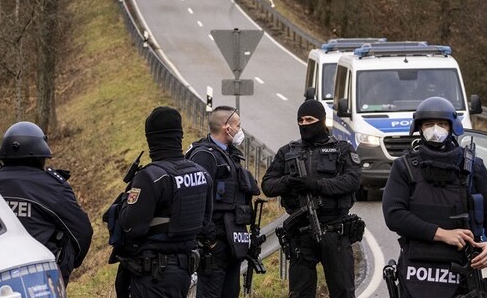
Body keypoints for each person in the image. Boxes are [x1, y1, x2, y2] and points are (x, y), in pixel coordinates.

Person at [382, 97, 487, 298]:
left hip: (462, 270)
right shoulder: (404, 167)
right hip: (416, 271)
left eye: (442, 124)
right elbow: (394, 215)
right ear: (419, 128)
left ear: (452, 127)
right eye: (429, 124)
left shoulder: (473, 167)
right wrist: (442, 234)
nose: (435, 129)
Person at [262, 99, 363, 298]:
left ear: (322, 121)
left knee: (343, 292)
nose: (305, 124)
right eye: (301, 120)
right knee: (300, 293)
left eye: (310, 119)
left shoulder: (342, 149)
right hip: (301, 235)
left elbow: (352, 181)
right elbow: (267, 185)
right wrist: (288, 182)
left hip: (335, 232)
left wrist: (317, 185)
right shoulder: (288, 152)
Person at [115, 106, 214, 298]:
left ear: (151, 139)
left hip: (153, 275)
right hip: (184, 270)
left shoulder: (151, 177)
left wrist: (123, 203)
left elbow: (131, 226)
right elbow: (205, 221)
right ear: (179, 135)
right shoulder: (202, 174)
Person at [0, 121, 93, 285]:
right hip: (39, 278)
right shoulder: (53, 187)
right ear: (40, 156)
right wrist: (66, 266)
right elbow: (82, 232)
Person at [185, 106, 260, 298]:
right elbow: (195, 201)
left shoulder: (229, 155)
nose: (240, 130)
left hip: (232, 243)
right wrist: (211, 241)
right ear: (227, 128)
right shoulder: (205, 156)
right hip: (215, 245)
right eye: (238, 126)